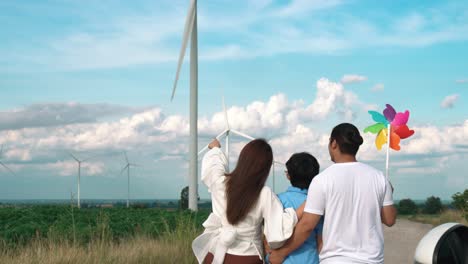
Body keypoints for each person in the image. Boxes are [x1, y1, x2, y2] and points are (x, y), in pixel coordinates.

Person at [270, 123, 397, 264]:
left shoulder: (322, 180)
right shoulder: (379, 177)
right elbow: (389, 220)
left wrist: (282, 253)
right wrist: (388, 192)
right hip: (372, 260)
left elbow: (307, 225)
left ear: (334, 143)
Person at [192, 138, 300, 264]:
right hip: (247, 257)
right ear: (265, 168)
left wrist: (215, 148)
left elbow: (214, 167)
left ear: (242, 159)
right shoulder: (264, 193)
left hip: (215, 255)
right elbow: (276, 235)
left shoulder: (220, 183)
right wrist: (298, 212)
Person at [266, 152, 323, 264]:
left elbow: (267, 237)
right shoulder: (318, 204)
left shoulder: (277, 201)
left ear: (288, 175)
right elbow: (320, 240)